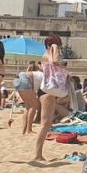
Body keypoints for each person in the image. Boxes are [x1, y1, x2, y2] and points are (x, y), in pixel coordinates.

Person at [30, 34, 71, 162]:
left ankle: (38, 153)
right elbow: (54, 61)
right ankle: (37, 154)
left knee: (46, 123)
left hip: (47, 89)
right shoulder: (51, 50)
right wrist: (59, 58)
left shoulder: (44, 55)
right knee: (45, 124)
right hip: (48, 91)